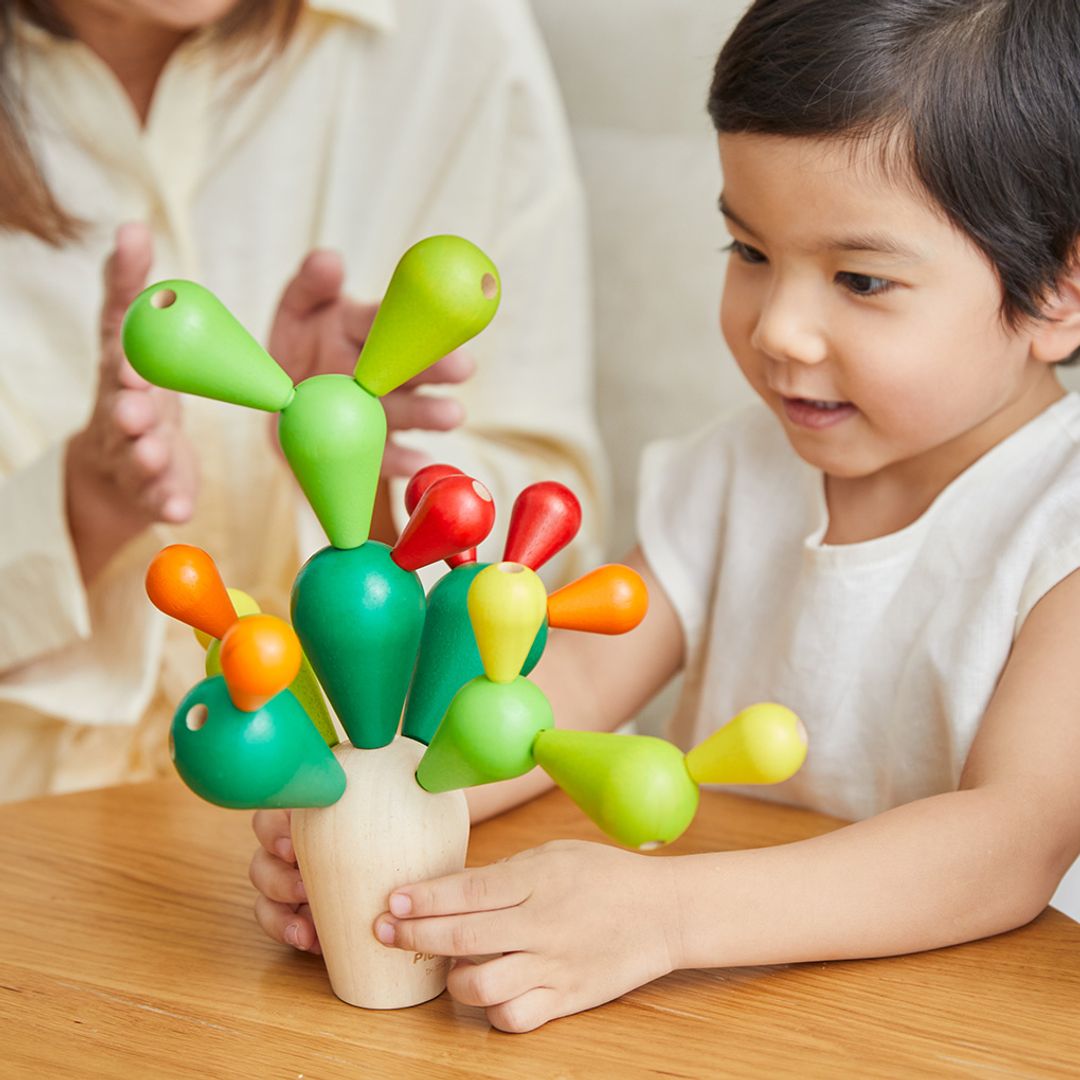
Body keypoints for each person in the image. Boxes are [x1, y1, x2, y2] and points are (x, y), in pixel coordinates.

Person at [252, 0, 1080, 1033]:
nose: (778, 328)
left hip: (962, 1028)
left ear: (1057, 289)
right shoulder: (737, 468)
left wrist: (666, 917)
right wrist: (403, 802)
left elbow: (1011, 842)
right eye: (748, 252)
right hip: (721, 1018)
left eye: (860, 279)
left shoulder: (1062, 526)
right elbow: (582, 679)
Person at [0, 0, 607, 801]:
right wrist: (84, 506)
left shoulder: (451, 33)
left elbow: (550, 557)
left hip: (395, 805)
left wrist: (364, 496)